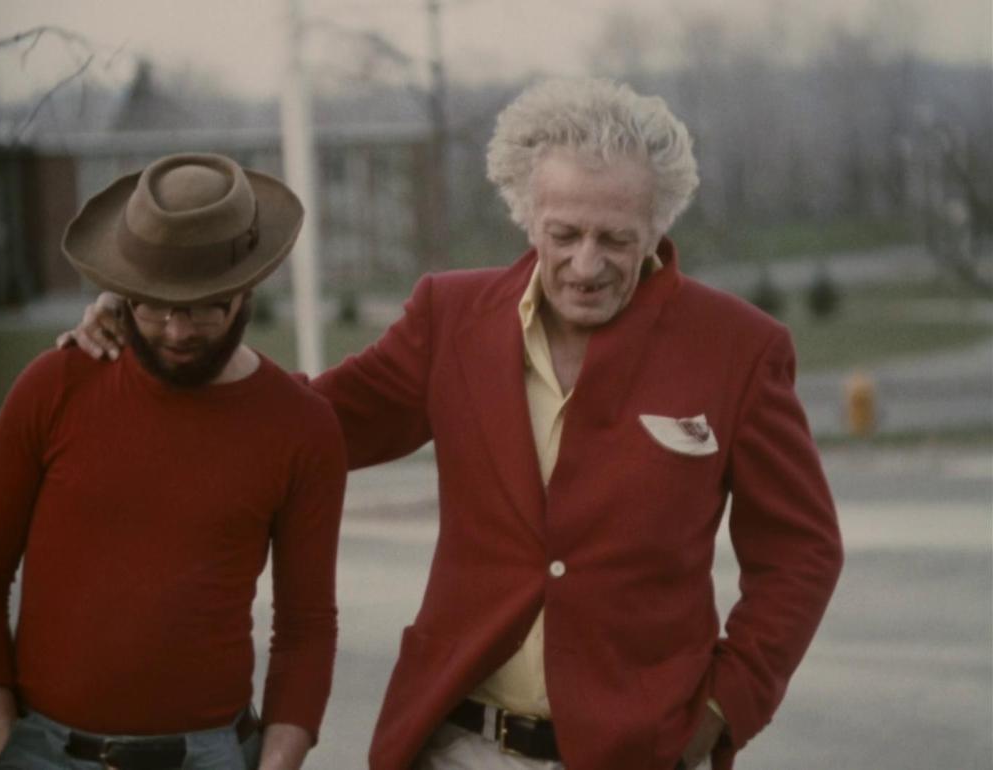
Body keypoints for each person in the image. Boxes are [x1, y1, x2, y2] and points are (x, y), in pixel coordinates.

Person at [59, 78, 843, 770]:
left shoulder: (739, 350)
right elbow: (305, 423)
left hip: (641, 752)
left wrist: (720, 712)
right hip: (459, 744)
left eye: (616, 239)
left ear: (657, 226)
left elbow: (802, 552)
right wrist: (158, 326)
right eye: (564, 234)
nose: (587, 264)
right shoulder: (452, 318)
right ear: (526, 215)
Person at [0, 153, 347, 770]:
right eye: (152, 304)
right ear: (121, 291)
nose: (177, 331)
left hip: (212, 755)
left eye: (206, 306)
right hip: (43, 751)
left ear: (247, 289)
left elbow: (306, 626)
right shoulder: (55, 387)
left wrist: (278, 763)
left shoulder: (302, 427)